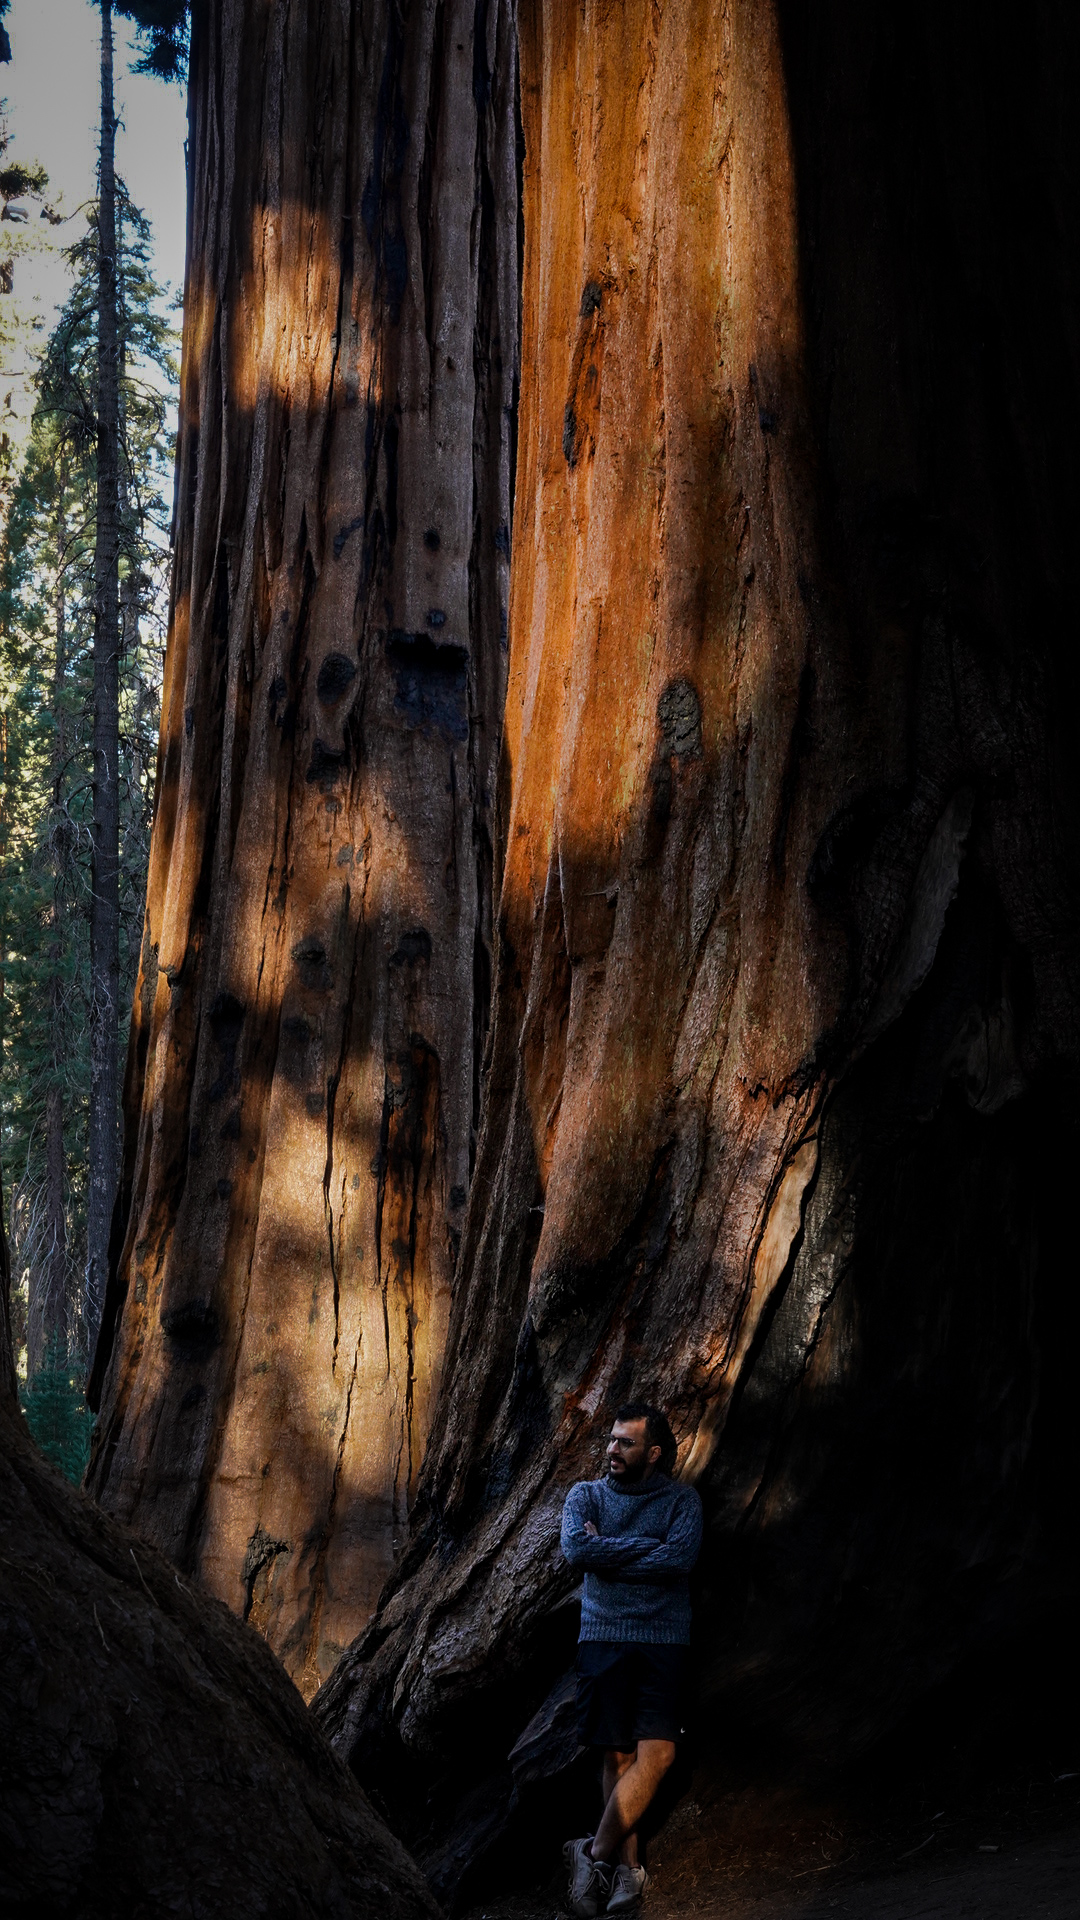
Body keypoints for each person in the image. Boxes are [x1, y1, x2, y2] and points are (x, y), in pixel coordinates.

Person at [559, 1401, 703, 1917]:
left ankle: (590, 1852)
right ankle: (627, 1872)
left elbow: (679, 1557)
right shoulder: (586, 1495)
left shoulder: (682, 1502)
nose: (612, 1450)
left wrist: (610, 1550)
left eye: (626, 1442)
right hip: (602, 1636)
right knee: (615, 1756)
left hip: (664, 1638)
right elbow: (576, 1551)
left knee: (659, 1755)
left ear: (654, 1453)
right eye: (611, 1440)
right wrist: (645, 1549)